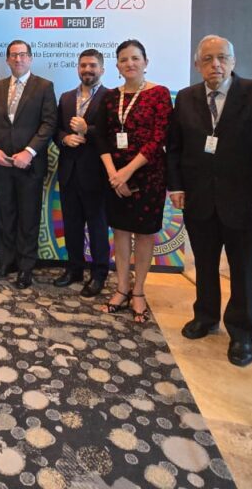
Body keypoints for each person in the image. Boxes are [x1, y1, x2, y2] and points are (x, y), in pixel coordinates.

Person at [166, 35, 252, 367]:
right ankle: (205, 317)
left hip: (246, 201)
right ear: (197, 64)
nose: (215, 64)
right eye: (207, 59)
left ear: (233, 61)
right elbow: (175, 147)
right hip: (199, 197)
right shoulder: (186, 97)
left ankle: (242, 333)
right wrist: (176, 187)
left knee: (243, 268)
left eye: (222, 58)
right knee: (204, 264)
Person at [95, 39, 172, 321]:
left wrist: (127, 172)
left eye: (135, 58)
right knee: (120, 232)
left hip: (149, 175)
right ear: (117, 66)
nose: (130, 63)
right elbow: (101, 137)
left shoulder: (159, 94)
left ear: (145, 62)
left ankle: (138, 291)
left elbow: (158, 137)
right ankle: (122, 288)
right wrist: (114, 175)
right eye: (124, 59)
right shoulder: (109, 97)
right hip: (115, 175)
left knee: (144, 234)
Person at [0, 40, 58, 289]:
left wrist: (29, 152)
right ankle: (6, 262)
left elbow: (49, 123)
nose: (18, 59)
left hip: (30, 165)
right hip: (2, 163)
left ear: (30, 58)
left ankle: (26, 267)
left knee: (28, 217)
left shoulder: (44, 86)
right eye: (14, 55)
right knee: (6, 214)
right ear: (7, 59)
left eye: (23, 54)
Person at [54, 49, 110, 297]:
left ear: (102, 69)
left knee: (97, 227)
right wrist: (64, 139)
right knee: (72, 225)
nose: (88, 69)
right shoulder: (66, 98)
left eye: (93, 65)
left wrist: (88, 130)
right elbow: (56, 130)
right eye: (83, 65)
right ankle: (74, 269)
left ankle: (99, 274)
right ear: (78, 68)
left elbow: (112, 134)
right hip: (68, 172)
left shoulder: (110, 97)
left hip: (96, 174)